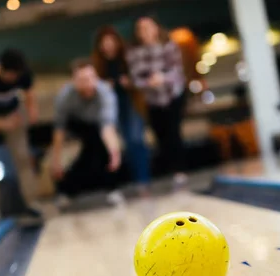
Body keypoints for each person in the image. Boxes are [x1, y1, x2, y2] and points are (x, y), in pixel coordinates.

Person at [0, 48, 41, 220]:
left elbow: (29, 93)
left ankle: (32, 202)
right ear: (0, 69)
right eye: (11, 76)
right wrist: (4, 124)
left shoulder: (23, 74)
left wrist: (31, 111)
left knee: (23, 157)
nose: (14, 80)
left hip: (13, 113)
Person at [50, 60, 123, 206]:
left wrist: (114, 152)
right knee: (92, 147)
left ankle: (109, 188)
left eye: (91, 78)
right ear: (74, 82)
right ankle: (68, 190)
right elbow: (59, 129)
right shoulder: (65, 97)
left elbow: (107, 127)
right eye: (82, 80)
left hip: (98, 126)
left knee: (100, 149)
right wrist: (56, 160)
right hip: (76, 123)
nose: (88, 84)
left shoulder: (106, 93)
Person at [127, 16, 188, 189]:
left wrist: (162, 78)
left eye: (148, 27)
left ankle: (180, 170)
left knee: (174, 132)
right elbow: (135, 78)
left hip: (173, 95)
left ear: (156, 29)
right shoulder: (134, 52)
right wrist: (149, 82)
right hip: (152, 100)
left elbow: (177, 71)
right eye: (141, 28)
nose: (145, 31)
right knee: (160, 135)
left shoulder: (169, 46)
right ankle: (169, 170)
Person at [93, 26, 151, 197]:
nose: (108, 46)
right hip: (112, 107)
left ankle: (143, 180)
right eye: (105, 43)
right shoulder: (98, 65)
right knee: (123, 143)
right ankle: (135, 180)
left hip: (131, 103)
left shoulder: (129, 57)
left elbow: (142, 77)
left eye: (111, 42)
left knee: (136, 139)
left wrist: (130, 82)